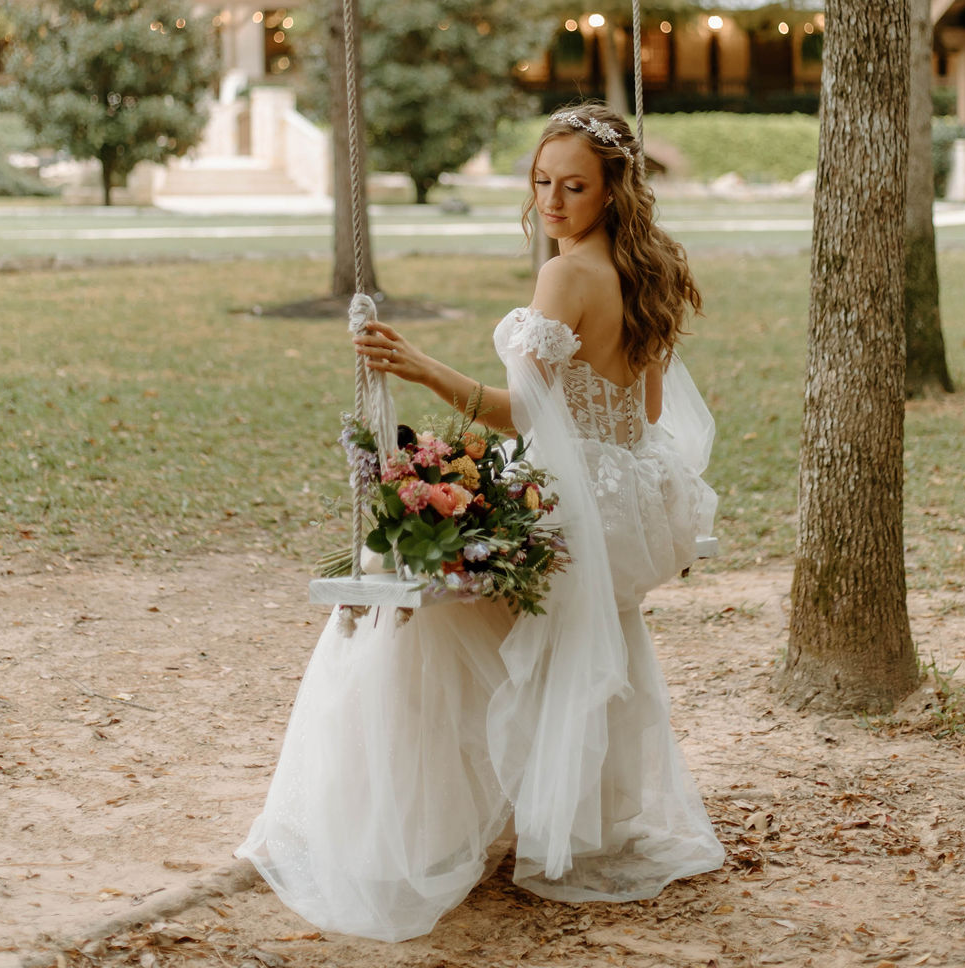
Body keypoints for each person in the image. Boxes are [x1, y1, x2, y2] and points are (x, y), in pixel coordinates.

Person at [236, 103, 724, 941]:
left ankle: (409, 829)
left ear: (612, 191)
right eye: (541, 183)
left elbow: (528, 419)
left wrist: (424, 369)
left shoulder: (566, 277)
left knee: (407, 614)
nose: (553, 202)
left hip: (569, 502)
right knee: (570, 643)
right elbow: (640, 412)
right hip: (629, 497)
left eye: (574, 186)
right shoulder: (651, 271)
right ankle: (567, 822)